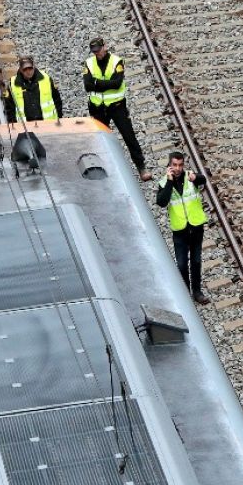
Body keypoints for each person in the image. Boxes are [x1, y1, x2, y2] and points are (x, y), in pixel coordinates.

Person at [83, 37, 151, 180]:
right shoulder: (89, 63)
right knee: (99, 139)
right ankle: (104, 169)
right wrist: (104, 83)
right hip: (97, 108)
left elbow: (117, 83)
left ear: (104, 47)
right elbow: (87, 86)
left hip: (117, 106)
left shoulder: (116, 61)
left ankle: (141, 167)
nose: (98, 54)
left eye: (99, 50)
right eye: (95, 52)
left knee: (129, 136)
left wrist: (96, 82)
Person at [156, 152, 209, 301]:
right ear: (169, 165)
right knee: (181, 264)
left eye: (180, 165)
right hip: (180, 230)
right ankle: (186, 293)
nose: (178, 168)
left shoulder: (190, 177)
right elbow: (161, 202)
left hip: (196, 226)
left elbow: (203, 179)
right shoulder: (164, 183)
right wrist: (169, 182)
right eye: (175, 165)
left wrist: (196, 178)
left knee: (196, 261)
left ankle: (197, 292)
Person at [5, 56, 63, 123]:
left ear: (34, 67)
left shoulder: (46, 79)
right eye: (25, 69)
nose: (28, 71)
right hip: (25, 126)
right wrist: (14, 124)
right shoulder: (12, 84)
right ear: (20, 70)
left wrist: (59, 118)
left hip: (48, 123)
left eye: (30, 68)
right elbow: (9, 107)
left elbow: (57, 100)